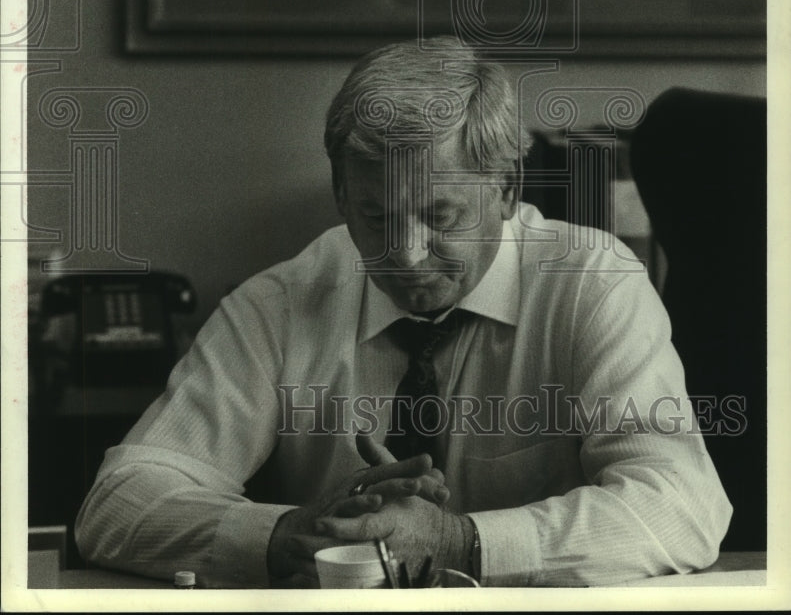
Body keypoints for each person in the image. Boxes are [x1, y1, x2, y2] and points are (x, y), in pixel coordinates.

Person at [75, 38, 731, 587]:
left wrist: (462, 543)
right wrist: (280, 534)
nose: (405, 255)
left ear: (505, 190)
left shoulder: (591, 283)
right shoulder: (277, 304)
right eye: (375, 217)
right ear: (339, 195)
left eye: (441, 216)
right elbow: (117, 501)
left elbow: (681, 509)